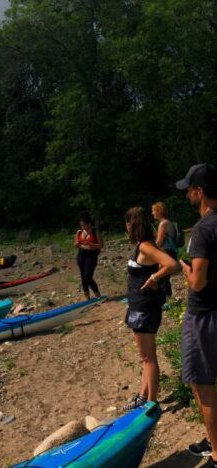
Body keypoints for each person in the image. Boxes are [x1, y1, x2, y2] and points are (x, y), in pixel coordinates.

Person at [177, 164, 217, 466]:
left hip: (203, 316)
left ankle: (216, 451)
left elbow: (198, 282)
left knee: (203, 384)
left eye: (189, 189)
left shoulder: (203, 229)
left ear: (199, 192)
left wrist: (187, 271)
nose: (187, 194)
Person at [121, 207, 177, 411]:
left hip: (145, 307)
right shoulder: (142, 245)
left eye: (127, 223)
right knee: (144, 357)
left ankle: (152, 404)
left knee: (148, 358)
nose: (125, 227)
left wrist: (154, 278)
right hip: (140, 306)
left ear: (132, 224)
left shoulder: (145, 246)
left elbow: (171, 264)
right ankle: (143, 396)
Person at [74, 212, 103, 299]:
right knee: (83, 277)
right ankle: (87, 298)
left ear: (89, 224)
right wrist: (77, 244)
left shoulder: (95, 231)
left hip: (91, 256)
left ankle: (98, 295)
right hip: (81, 255)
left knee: (88, 276)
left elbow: (101, 245)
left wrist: (90, 244)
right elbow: (75, 243)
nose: (83, 227)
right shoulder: (79, 232)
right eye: (81, 225)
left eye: (84, 225)